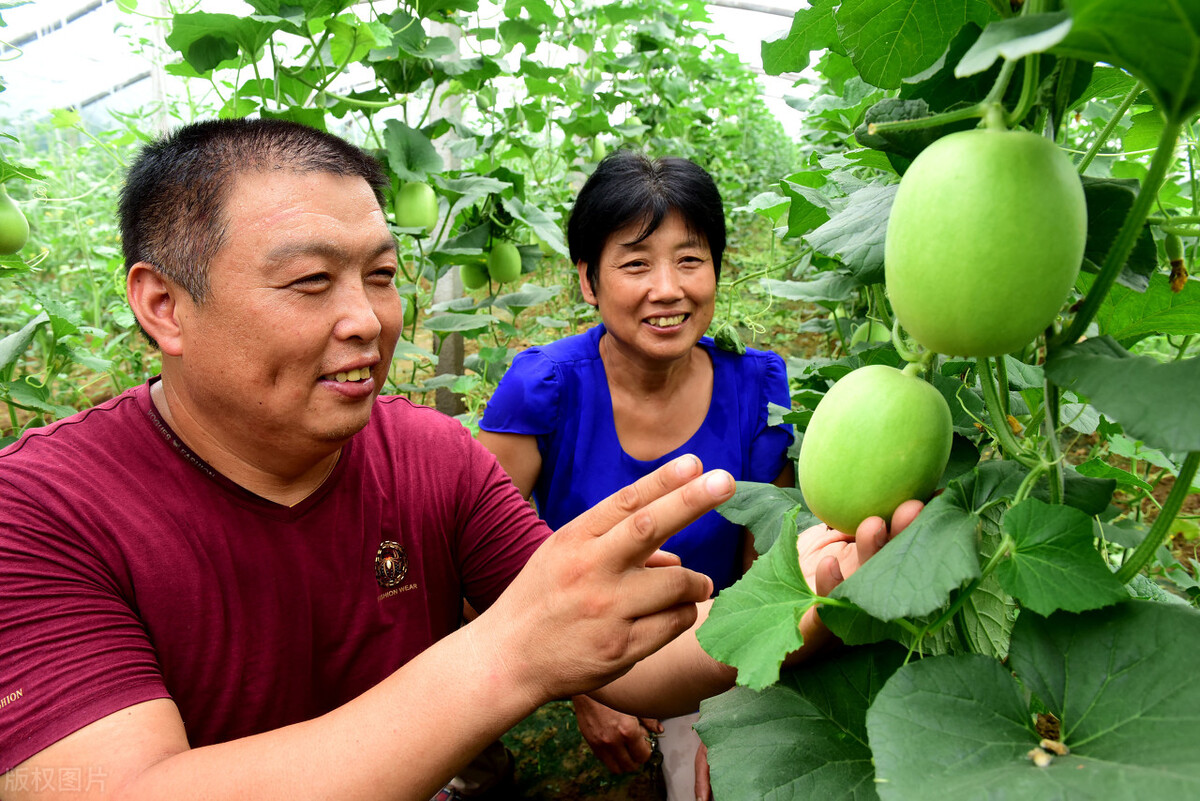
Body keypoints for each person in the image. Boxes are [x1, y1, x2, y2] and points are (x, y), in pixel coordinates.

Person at [0, 119, 918, 801]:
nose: (367, 317)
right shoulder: (40, 510)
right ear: (163, 305)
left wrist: (805, 605)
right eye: (312, 281)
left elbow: (629, 657)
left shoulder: (434, 459)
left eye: (383, 275)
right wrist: (507, 653)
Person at [476, 150, 793, 799]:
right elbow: (483, 566)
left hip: (705, 653)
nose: (668, 287)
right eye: (636, 262)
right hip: (565, 654)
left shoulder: (758, 386)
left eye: (689, 258)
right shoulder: (545, 388)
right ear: (589, 281)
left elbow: (769, 575)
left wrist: (736, 713)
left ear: (717, 269)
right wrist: (586, 689)